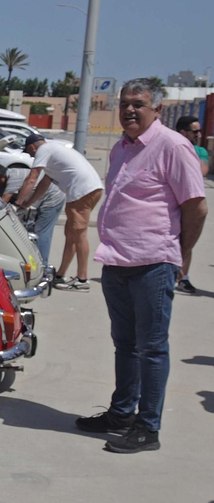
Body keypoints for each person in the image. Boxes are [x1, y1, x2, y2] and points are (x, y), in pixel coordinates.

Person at [77, 78, 207, 454]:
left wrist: (181, 255)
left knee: (151, 349)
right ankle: (120, 413)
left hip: (153, 264)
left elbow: (196, 207)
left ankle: (148, 428)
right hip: (117, 262)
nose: (130, 110)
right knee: (125, 345)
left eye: (138, 103)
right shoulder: (122, 148)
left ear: (158, 110)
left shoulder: (173, 146)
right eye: (125, 103)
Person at [13, 132, 104, 290]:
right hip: (87, 189)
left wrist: (17, 203)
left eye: (28, 152)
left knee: (79, 235)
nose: (30, 155)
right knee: (71, 234)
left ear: (32, 147)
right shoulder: (53, 152)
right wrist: (26, 204)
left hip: (81, 191)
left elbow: (32, 178)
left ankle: (82, 280)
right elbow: (43, 185)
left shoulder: (43, 150)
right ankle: (61, 274)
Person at [0, 162, 63, 266]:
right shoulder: (12, 173)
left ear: (0, 176)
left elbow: (3, 201)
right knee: (36, 230)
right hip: (45, 197)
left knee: (41, 232)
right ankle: (37, 261)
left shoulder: (13, 178)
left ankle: (42, 266)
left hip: (52, 199)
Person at [173, 115, 207, 293]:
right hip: (172, 201)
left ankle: (184, 277)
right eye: (195, 131)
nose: (199, 134)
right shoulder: (171, 147)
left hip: (190, 201)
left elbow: (202, 170)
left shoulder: (200, 151)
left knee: (187, 239)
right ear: (183, 132)